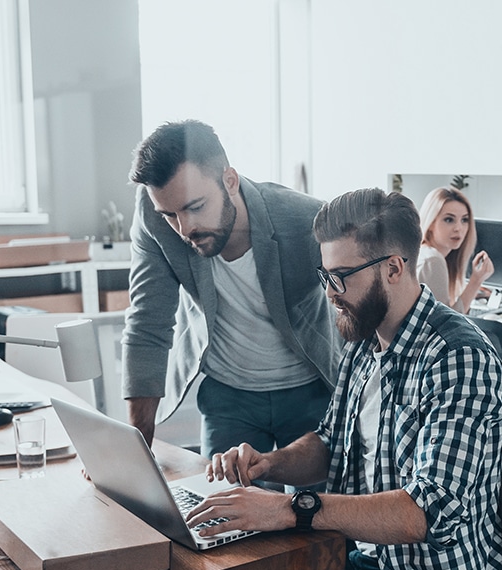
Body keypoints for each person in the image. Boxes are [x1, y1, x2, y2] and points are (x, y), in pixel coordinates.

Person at [183, 188, 502, 570]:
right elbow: (333, 443)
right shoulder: (366, 339)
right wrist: (271, 463)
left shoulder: (460, 358)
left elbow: (421, 513)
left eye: (340, 277)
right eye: (324, 275)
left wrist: (292, 508)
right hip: (358, 561)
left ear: (393, 267)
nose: (328, 292)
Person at [122, 120, 340, 459]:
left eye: (196, 207)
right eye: (170, 215)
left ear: (230, 180)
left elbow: (360, 313)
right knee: (223, 508)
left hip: (309, 389)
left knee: (311, 508)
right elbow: (148, 323)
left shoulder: (307, 219)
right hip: (228, 396)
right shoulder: (152, 216)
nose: (185, 228)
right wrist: (133, 450)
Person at [417, 186, 494, 313]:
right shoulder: (432, 260)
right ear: (430, 223)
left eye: (464, 220)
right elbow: (446, 324)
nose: (458, 228)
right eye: (449, 219)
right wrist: (476, 281)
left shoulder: (424, 253)